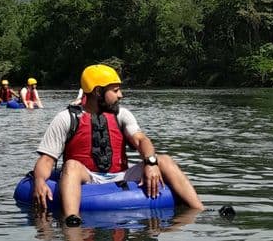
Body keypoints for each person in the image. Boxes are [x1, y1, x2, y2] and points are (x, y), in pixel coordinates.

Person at [31, 64, 203, 227]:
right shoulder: (66, 118)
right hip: (88, 178)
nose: (121, 95)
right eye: (115, 90)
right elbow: (46, 159)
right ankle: (72, 223)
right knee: (71, 165)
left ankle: (199, 210)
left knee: (163, 160)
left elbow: (142, 140)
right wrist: (39, 181)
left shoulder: (122, 115)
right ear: (98, 91)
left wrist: (151, 163)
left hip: (121, 176)